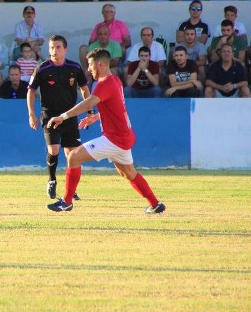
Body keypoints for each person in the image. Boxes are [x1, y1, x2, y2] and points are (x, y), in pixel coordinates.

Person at [46, 48, 165, 214]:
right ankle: (155, 204)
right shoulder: (115, 80)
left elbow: (88, 104)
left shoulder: (104, 84)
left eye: (90, 65)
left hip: (115, 139)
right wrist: (96, 118)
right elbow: (116, 109)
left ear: (100, 64)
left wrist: (63, 116)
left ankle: (66, 202)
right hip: (124, 136)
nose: (88, 69)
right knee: (128, 173)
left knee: (73, 157)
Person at [27, 35, 89, 202]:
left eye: (58, 47)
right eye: (52, 48)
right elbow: (31, 90)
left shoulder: (74, 68)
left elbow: (84, 88)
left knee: (72, 155)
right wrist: (31, 113)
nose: (55, 51)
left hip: (70, 115)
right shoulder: (42, 69)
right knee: (54, 150)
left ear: (65, 49)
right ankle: (52, 180)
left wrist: (89, 110)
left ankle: (71, 189)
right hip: (50, 115)